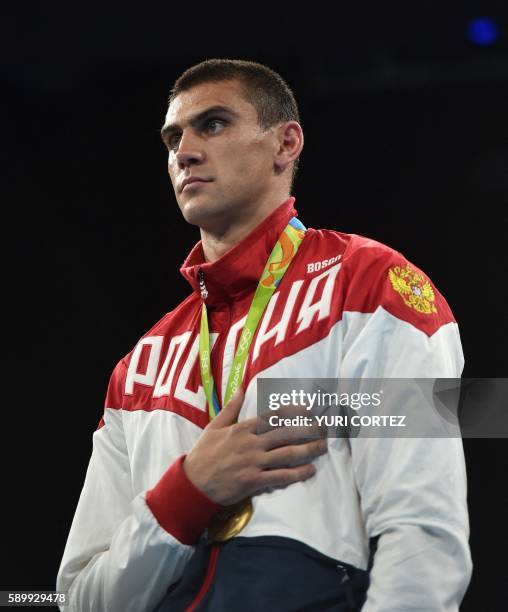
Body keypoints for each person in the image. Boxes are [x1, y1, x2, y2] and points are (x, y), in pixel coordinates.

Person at [57, 59, 472, 611]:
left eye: (213, 124)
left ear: (285, 143)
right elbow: (76, 599)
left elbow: (423, 533)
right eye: (173, 137)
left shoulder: (372, 283)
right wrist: (186, 494)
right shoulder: (138, 369)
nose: (184, 152)